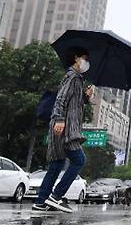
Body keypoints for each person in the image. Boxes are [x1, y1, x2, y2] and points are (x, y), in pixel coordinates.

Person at [32, 46, 93, 213]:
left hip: (63, 125)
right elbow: (60, 99)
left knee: (57, 164)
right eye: (85, 58)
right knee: (79, 160)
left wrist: (85, 97)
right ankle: (56, 196)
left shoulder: (77, 79)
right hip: (65, 127)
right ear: (76, 58)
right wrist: (59, 118)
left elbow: (74, 104)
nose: (87, 62)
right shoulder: (73, 76)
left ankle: (40, 202)